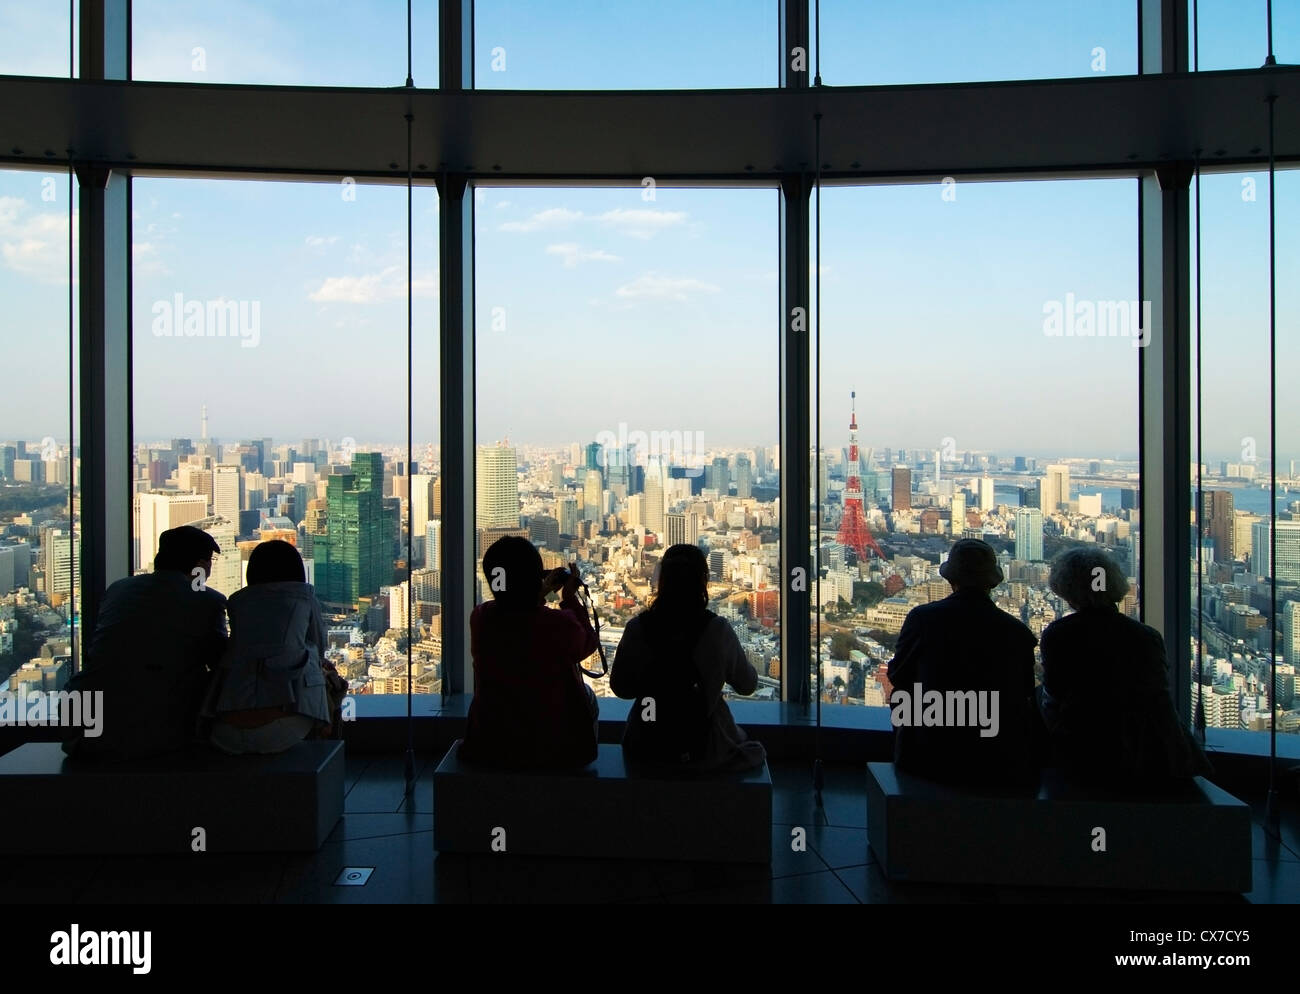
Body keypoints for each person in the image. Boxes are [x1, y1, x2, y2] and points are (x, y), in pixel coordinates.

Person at [1039, 547, 1212, 789]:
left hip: (1086, 750)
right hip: (1155, 754)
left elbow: (1055, 696)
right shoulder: (1146, 635)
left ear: (1067, 590)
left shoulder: (1060, 634)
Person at [64, 525, 229, 762]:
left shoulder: (119, 589)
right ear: (200, 566)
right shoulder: (206, 601)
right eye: (209, 562)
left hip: (82, 734)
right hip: (156, 735)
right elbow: (219, 661)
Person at [886, 538, 1039, 787]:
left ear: (950, 578)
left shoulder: (923, 619)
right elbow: (1023, 694)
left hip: (929, 751)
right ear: (992, 580)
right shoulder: (1017, 632)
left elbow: (898, 675)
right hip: (997, 758)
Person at [611, 543, 766, 772]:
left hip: (645, 743)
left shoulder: (638, 628)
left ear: (662, 580)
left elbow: (621, 688)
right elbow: (747, 685)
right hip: (704, 749)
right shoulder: (717, 630)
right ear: (703, 582)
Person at [459, 536, 600, 769]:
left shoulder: (481, 618)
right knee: (589, 697)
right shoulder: (558, 625)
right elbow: (589, 642)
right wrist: (569, 599)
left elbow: (514, 609)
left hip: (490, 743)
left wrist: (539, 590)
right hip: (552, 748)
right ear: (535, 578)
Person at [199, 540, 337, 755]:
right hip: (285, 728)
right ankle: (326, 744)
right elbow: (319, 648)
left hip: (224, 729)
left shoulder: (237, 603)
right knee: (328, 675)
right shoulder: (305, 598)